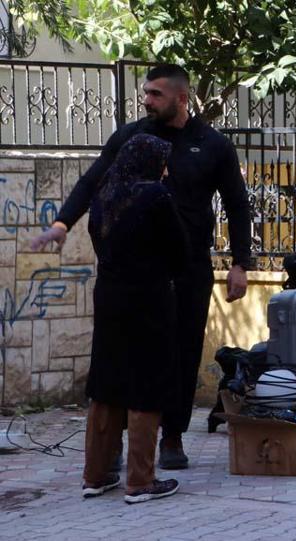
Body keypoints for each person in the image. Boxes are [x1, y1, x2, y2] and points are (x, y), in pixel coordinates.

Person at [31, 64, 252, 470]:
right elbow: (91, 182)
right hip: (136, 272)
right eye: (145, 92)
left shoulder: (212, 144)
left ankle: (172, 437)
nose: (146, 100)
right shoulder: (131, 138)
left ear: (181, 98)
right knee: (123, 356)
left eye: (155, 94)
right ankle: (115, 446)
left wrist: (241, 263)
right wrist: (62, 223)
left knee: (182, 350)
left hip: (188, 268)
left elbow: (237, 204)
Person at [79, 133, 185, 503]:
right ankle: (140, 481)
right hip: (148, 299)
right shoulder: (155, 196)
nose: (166, 170)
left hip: (109, 296)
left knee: (105, 383)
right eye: (163, 162)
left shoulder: (104, 195)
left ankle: (95, 476)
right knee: (146, 383)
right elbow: (179, 250)